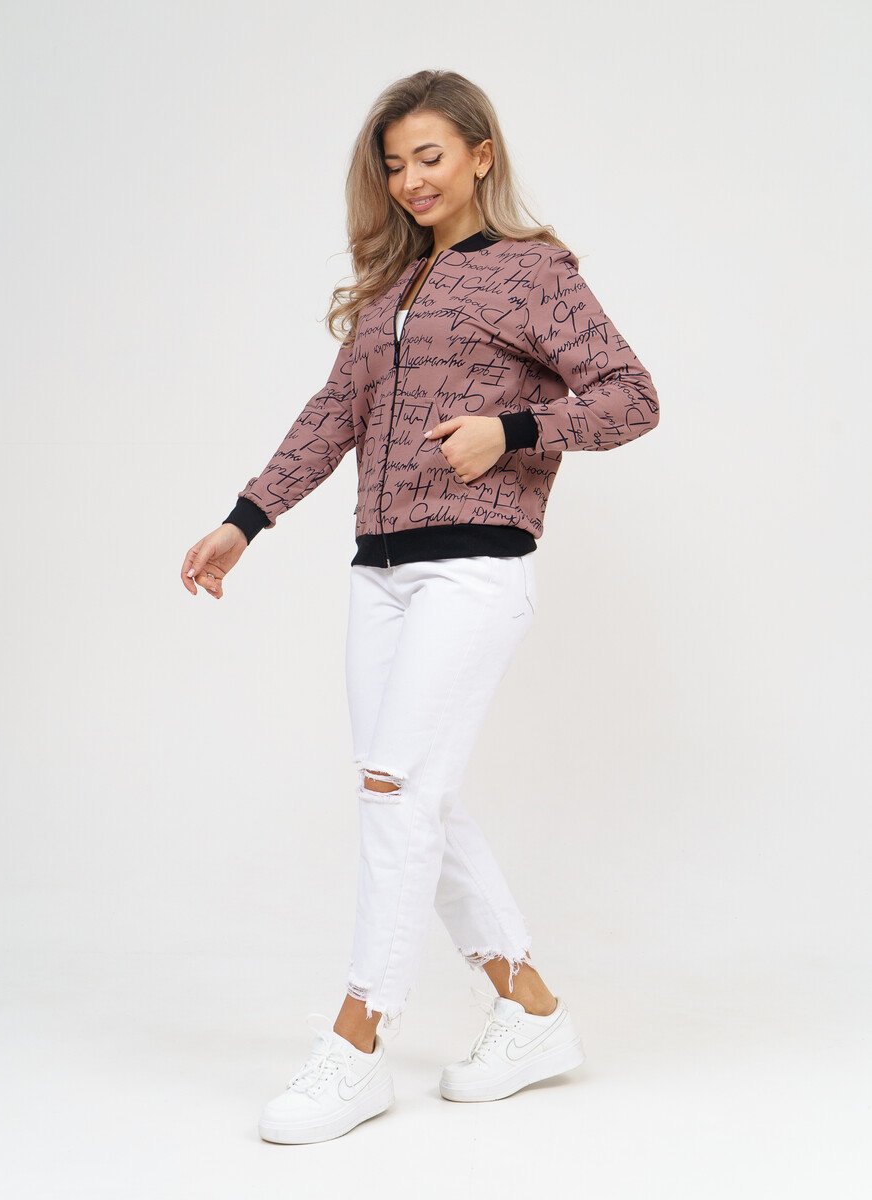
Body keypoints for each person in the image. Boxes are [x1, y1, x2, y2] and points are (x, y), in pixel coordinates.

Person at [180, 68, 659, 1145]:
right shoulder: (391, 291)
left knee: (398, 793)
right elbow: (331, 414)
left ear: (482, 155)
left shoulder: (532, 272)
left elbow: (632, 396)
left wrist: (513, 431)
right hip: (381, 573)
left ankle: (358, 1044)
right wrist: (246, 520)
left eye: (430, 157)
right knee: (408, 796)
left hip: (474, 567)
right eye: (395, 165)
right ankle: (531, 1012)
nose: (411, 181)